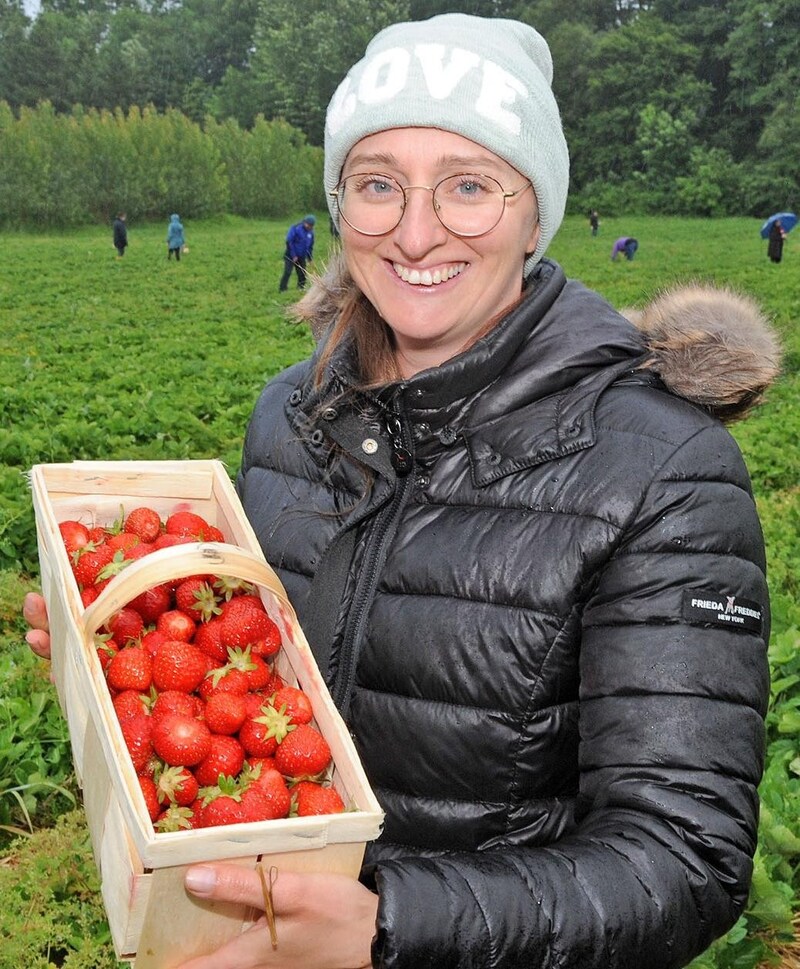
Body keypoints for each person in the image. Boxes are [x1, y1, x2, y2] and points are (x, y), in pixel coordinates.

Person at [25, 13, 781, 969]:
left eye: (469, 186)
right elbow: (270, 689)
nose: (416, 232)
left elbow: (683, 858)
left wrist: (383, 925)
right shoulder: (290, 415)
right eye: (378, 184)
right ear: (341, 205)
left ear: (535, 212)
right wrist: (116, 657)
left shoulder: (663, 471)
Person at [279, 215, 316, 291]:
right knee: (288, 272)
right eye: (308, 224)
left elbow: (310, 246)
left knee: (302, 273)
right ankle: (282, 289)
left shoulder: (311, 233)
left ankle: (301, 287)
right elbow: (289, 241)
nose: (309, 226)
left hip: (301, 256)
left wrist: (310, 258)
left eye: (311, 226)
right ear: (304, 222)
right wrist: (293, 255)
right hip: (290, 255)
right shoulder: (295, 228)